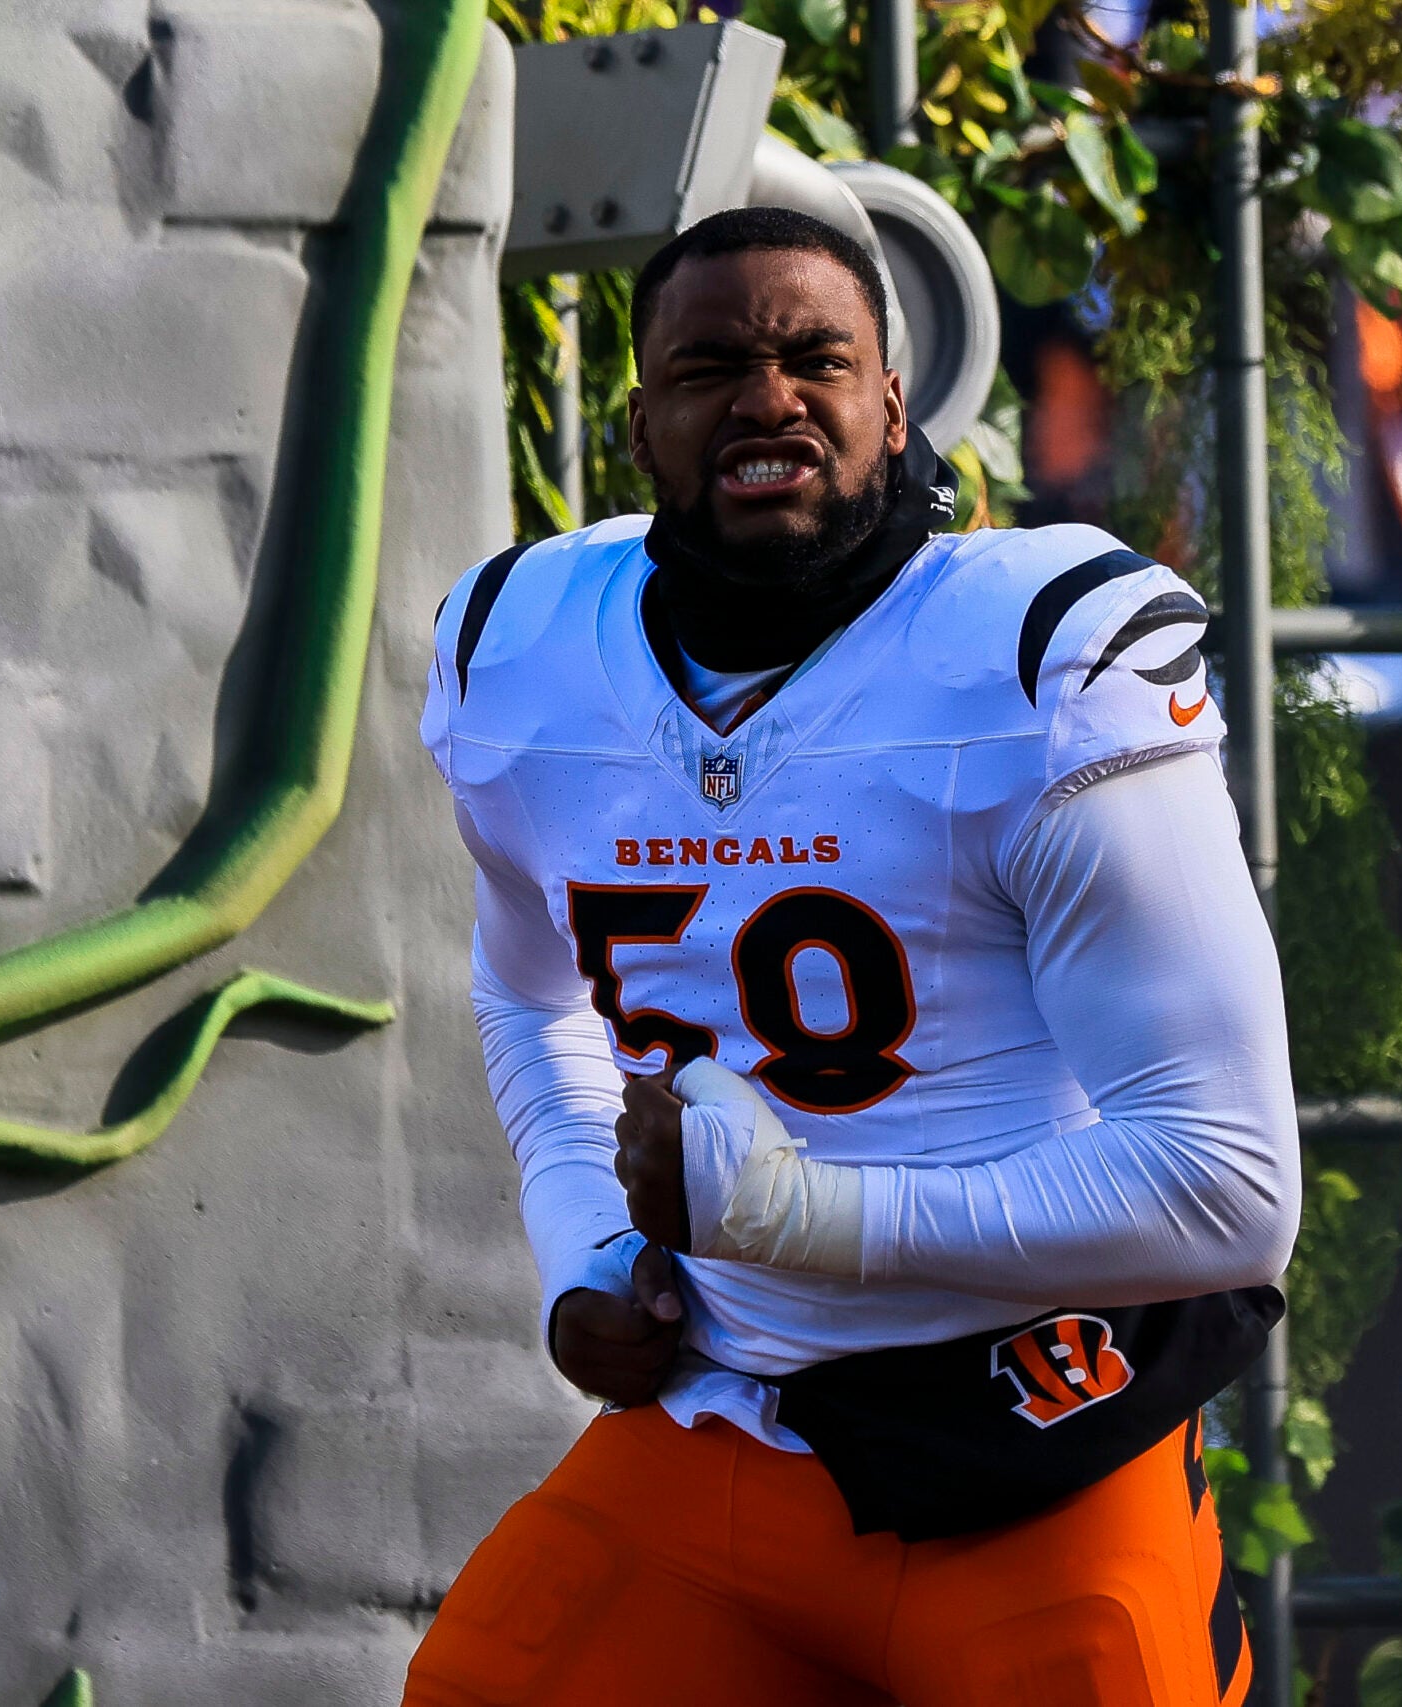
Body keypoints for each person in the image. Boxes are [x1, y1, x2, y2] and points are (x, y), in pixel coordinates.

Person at [403, 206, 1297, 1706]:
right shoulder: (525, 648)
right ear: (639, 423)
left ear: (892, 401)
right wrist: (588, 1254)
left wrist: (799, 1216)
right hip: (728, 1414)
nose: (768, 399)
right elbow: (529, 992)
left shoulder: (1032, 655)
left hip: (1032, 1447)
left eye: (816, 358)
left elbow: (1230, 1189)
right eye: (709, 369)